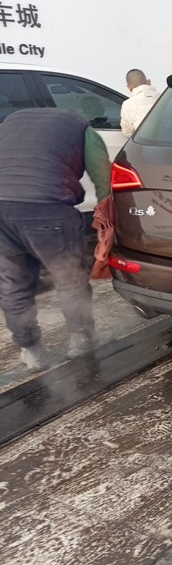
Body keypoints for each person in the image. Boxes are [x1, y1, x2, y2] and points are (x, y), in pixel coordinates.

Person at [0, 108, 111, 371]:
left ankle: (31, 351)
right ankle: (81, 340)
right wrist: (106, 221)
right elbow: (103, 178)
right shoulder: (82, 128)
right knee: (68, 277)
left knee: (13, 283)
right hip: (47, 209)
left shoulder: (8, 125)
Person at [120, 68, 160, 137]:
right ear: (149, 82)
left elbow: (127, 132)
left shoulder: (128, 104)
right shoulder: (165, 97)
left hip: (146, 141)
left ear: (129, 87)